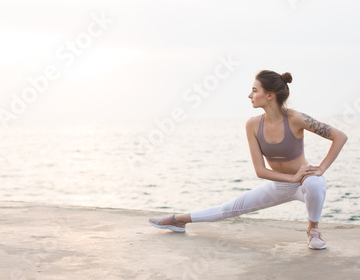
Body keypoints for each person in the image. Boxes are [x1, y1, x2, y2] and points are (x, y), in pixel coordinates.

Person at [149, 70, 348, 249]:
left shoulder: (295, 118)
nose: (250, 95)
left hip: (303, 183)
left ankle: (313, 230)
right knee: (228, 209)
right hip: (281, 185)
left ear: (269, 95)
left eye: (254, 90)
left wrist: (320, 169)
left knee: (315, 182)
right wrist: (292, 178)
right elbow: (260, 171)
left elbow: (339, 136)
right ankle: (177, 220)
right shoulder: (252, 125)